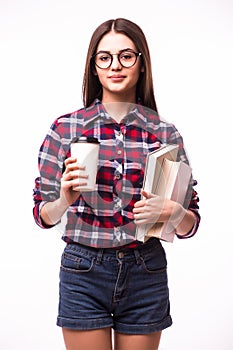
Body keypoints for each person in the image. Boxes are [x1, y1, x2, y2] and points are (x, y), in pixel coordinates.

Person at [33, 18, 200, 350]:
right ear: (94, 67)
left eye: (126, 56)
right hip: (84, 270)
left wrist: (173, 210)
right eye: (104, 57)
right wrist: (65, 197)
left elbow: (190, 224)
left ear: (141, 63)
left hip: (145, 270)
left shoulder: (165, 134)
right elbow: (43, 215)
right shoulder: (66, 129)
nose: (115, 66)